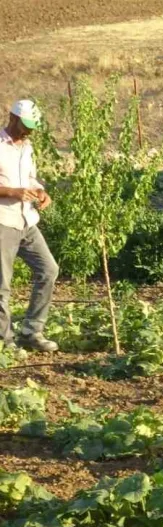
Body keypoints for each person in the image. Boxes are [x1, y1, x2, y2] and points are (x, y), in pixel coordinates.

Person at [0, 100, 59, 353]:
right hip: (3, 221)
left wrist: (41, 192)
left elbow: (31, 178)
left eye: (33, 127)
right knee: (2, 285)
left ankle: (31, 331)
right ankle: (4, 341)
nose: (29, 131)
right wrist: (13, 191)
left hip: (27, 221)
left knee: (49, 270)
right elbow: (14, 186)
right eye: (26, 125)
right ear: (12, 118)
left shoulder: (27, 147)